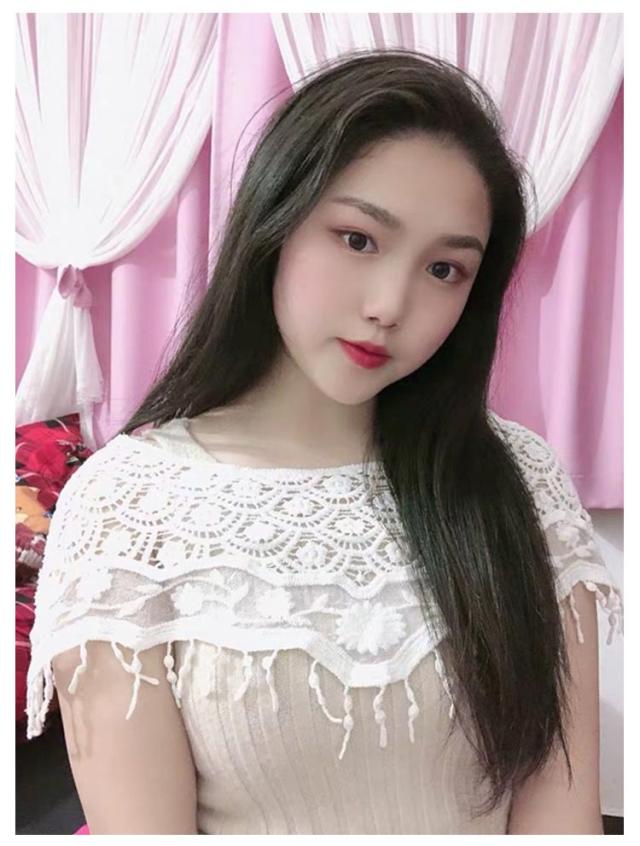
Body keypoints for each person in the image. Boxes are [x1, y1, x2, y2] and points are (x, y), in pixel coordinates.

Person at [25, 48, 623, 835]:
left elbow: (560, 810)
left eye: (445, 270)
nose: (390, 305)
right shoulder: (129, 509)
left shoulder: (519, 478)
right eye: (358, 239)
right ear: (275, 222)